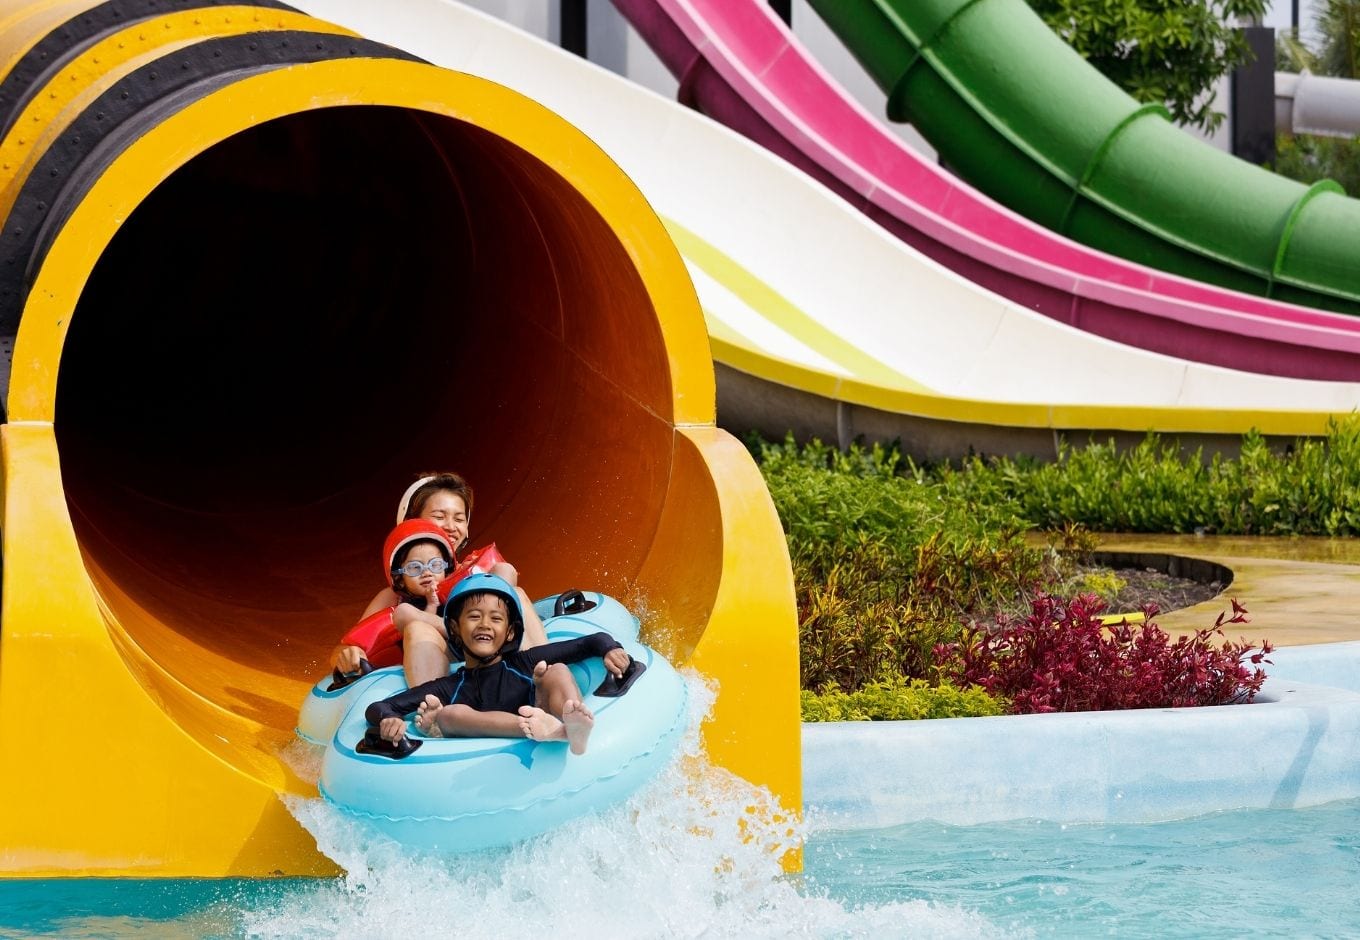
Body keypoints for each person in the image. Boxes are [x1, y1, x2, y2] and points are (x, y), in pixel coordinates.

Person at [366, 573, 632, 756]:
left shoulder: (525, 661)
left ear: (511, 633)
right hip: (529, 729)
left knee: (557, 670)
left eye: (496, 619)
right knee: (448, 714)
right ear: (455, 630)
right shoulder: (450, 687)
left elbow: (589, 642)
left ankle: (574, 731)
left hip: (550, 715)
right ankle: (549, 730)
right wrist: (389, 719)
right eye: (474, 617)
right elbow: (379, 707)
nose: (484, 624)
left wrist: (610, 649)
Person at [334, 471, 550, 685]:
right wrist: (349, 655)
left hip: (494, 649)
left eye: (459, 519)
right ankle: (432, 706)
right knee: (417, 627)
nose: (451, 526)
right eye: (439, 517)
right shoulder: (395, 596)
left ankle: (543, 680)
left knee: (517, 594)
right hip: (443, 665)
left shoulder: (477, 576)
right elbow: (348, 647)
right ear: (411, 523)